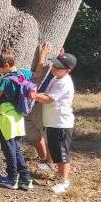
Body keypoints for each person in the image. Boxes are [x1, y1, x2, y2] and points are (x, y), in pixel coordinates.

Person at [0, 48, 35, 191]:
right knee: (16, 148)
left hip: (5, 117)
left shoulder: (5, 80)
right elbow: (38, 74)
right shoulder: (23, 74)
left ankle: (12, 178)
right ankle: (25, 178)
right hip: (18, 116)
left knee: (9, 148)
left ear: (5, 65)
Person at [34, 52, 77, 194]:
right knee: (54, 150)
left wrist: (31, 95)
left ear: (68, 70)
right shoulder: (57, 78)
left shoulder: (64, 82)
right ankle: (56, 174)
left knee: (61, 154)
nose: (54, 69)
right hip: (53, 122)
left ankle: (64, 181)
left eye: (58, 67)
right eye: (54, 65)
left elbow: (48, 99)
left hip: (61, 123)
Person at [25, 43, 55, 173]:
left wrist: (43, 56)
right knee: (33, 134)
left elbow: (39, 73)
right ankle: (44, 159)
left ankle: (50, 162)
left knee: (45, 134)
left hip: (40, 103)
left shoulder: (55, 68)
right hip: (27, 103)